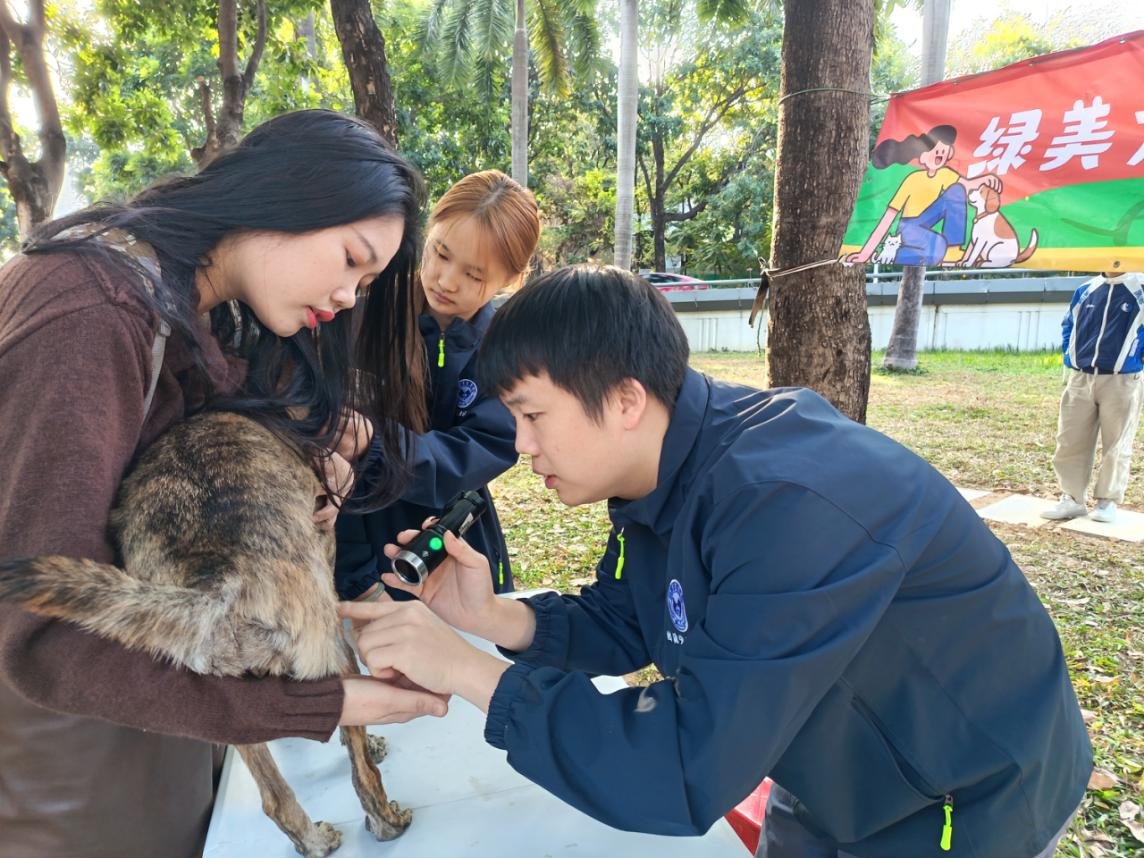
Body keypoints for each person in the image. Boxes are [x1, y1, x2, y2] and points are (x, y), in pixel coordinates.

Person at [340, 265, 1093, 858]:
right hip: (815, 751)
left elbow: (685, 765)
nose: (522, 447)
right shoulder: (665, 469)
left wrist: (471, 671)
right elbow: (633, 616)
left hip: (960, 797)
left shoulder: (785, 502)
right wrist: (491, 618)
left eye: (534, 416)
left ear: (626, 398)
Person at [0, 109, 450, 858]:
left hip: (156, 709)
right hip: (73, 761)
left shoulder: (189, 308)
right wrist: (315, 703)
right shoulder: (93, 313)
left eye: (364, 284)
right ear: (287, 197)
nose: (346, 297)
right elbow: (37, 630)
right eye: (349, 258)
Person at [335, 170, 540, 602]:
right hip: (356, 547)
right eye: (440, 253)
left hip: (452, 541)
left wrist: (373, 446)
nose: (447, 280)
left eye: (474, 274)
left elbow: (484, 447)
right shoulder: (356, 318)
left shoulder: (508, 350)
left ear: (510, 279)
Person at [1040, 271, 1144, 524]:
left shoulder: (1139, 288)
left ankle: (1107, 501)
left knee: (1116, 443)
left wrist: (1135, 359)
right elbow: (1069, 325)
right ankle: (1072, 499)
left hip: (1121, 379)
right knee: (1069, 440)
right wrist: (1071, 356)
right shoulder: (1086, 288)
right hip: (1081, 377)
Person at [845, 124, 1001, 267]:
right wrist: (866, 252)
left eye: (944, 151)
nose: (940, 153)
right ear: (922, 156)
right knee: (937, 246)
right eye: (935, 150)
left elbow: (968, 186)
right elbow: (889, 216)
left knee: (957, 190)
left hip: (927, 221)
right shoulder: (912, 179)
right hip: (908, 227)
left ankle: (953, 250)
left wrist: (986, 179)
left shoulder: (945, 174)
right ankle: (891, 254)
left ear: (949, 154)